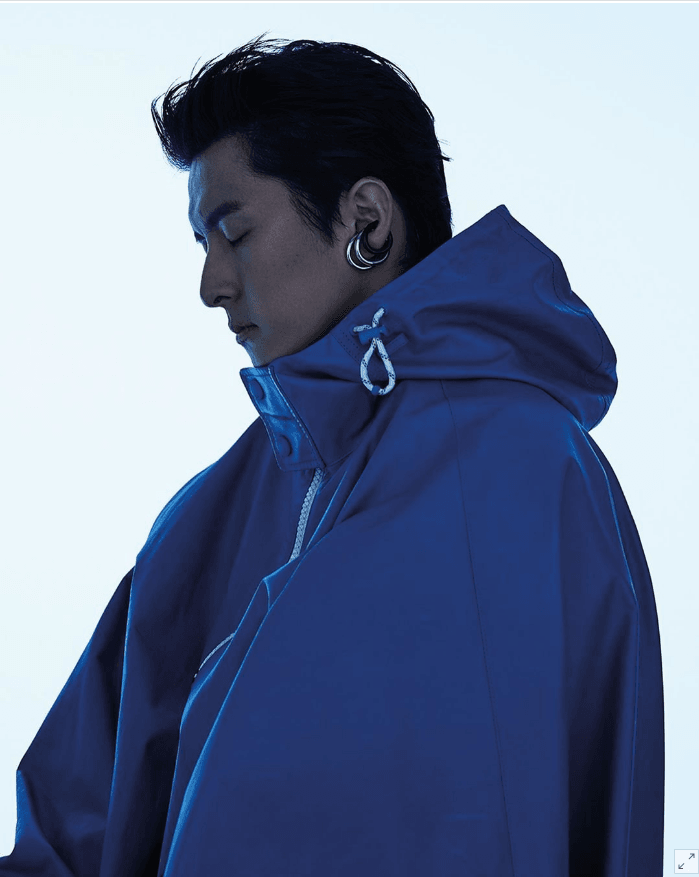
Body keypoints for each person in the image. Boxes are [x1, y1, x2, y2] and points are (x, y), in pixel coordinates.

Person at [0, 34, 664, 877]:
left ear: (366, 222)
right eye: (203, 244)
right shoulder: (203, 522)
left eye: (233, 232)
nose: (210, 284)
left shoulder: (520, 467)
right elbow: (70, 836)